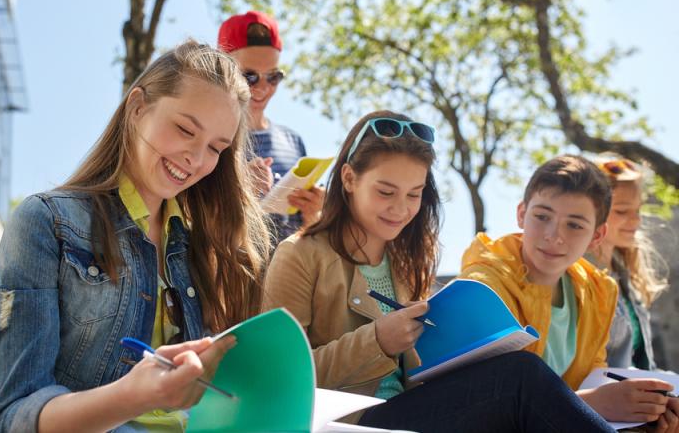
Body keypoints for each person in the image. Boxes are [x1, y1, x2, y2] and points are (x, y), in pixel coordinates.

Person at [0, 40, 271, 433]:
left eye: (217, 148)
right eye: (185, 129)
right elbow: (13, 419)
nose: (197, 159)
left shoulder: (202, 244)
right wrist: (132, 396)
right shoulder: (47, 222)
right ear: (137, 108)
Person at [263, 111, 615, 432]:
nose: (400, 209)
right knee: (521, 376)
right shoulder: (300, 255)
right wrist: (377, 341)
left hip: (410, 411)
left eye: (414, 194)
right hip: (347, 422)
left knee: (514, 380)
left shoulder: (406, 261)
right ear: (349, 179)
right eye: (386, 191)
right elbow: (277, 379)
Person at [459, 155, 678, 431]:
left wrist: (645, 420)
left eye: (574, 225)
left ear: (597, 236)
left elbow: (594, 388)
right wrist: (589, 404)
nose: (554, 235)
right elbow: (481, 408)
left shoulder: (598, 294)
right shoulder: (484, 287)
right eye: (542, 217)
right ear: (521, 214)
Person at [218, 10, 324, 242]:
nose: (263, 87)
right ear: (222, 70)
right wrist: (239, 190)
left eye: (273, 76)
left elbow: (304, 234)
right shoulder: (210, 140)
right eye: (250, 76)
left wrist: (314, 216)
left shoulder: (292, 141)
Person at [586, 155, 669, 370]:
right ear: (592, 212)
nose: (637, 220)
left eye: (638, 210)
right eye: (622, 211)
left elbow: (643, 364)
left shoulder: (626, 276)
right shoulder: (576, 277)